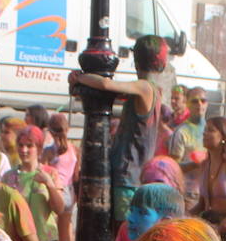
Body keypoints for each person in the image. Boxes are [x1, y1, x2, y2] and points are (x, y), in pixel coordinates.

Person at [69, 34, 164, 225]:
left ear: (136, 59)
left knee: (123, 230)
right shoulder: (152, 90)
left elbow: (105, 84)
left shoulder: (144, 87)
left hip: (128, 176)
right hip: (134, 175)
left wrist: (80, 77)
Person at [4, 126, 64, 241]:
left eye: (29, 146)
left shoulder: (51, 173)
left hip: (45, 240)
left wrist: (49, 185)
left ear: (39, 149)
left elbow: (59, 209)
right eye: (20, 145)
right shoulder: (8, 176)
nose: (24, 150)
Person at [43, 113, 80, 241]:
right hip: (70, 192)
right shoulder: (74, 149)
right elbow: (76, 175)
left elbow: (43, 170)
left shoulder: (49, 151)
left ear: (51, 131)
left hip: (56, 192)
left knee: (54, 236)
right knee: (66, 237)